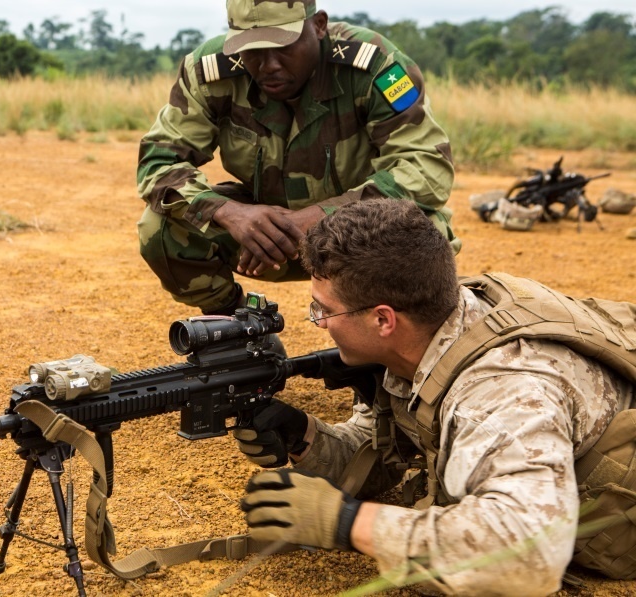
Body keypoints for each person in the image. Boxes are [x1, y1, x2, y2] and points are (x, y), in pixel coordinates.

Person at [233, 197, 636, 594]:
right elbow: (387, 450)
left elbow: (528, 557)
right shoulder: (427, 322)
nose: (319, 323)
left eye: (323, 310)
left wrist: (351, 523)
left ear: (383, 319)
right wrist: (305, 438)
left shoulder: (503, 393)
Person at [137, 0, 458, 315]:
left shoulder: (375, 66)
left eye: (284, 46)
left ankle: (387, 348)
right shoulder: (209, 72)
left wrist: (319, 216)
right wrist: (231, 214)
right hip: (263, 240)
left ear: (318, 25)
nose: (269, 65)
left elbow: (426, 167)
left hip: (361, 238)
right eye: (253, 51)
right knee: (161, 228)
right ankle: (234, 329)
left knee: (423, 234)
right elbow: (159, 162)